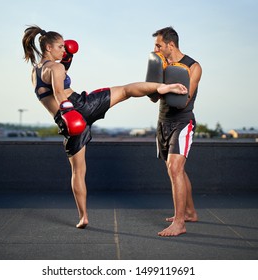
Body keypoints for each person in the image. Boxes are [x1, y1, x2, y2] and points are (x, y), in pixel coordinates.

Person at [22, 25, 188, 229]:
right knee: (125, 90)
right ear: (48, 47)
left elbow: (54, 83)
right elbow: (59, 91)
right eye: (61, 46)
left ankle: (83, 216)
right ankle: (163, 87)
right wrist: (68, 110)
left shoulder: (36, 72)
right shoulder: (56, 68)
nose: (64, 50)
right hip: (78, 107)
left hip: (66, 123)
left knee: (78, 172)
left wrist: (67, 61)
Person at [150, 27, 202, 236]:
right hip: (163, 122)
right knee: (175, 170)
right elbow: (152, 96)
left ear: (170, 45)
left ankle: (179, 222)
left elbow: (184, 100)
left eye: (158, 45)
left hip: (182, 122)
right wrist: (157, 80)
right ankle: (189, 211)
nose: (155, 49)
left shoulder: (193, 66)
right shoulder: (160, 64)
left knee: (175, 168)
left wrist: (164, 86)